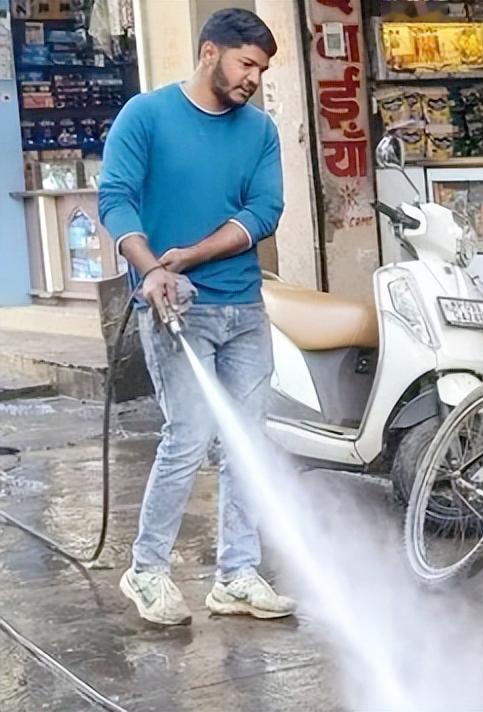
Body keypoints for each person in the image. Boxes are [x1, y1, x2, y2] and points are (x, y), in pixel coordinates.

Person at [99, 8, 294, 625]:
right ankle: (147, 570)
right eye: (246, 64)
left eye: (261, 70)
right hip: (174, 308)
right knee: (188, 437)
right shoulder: (147, 116)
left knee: (247, 446)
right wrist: (153, 267)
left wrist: (195, 253)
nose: (253, 79)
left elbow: (265, 210)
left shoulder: (258, 130)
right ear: (210, 52)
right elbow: (115, 197)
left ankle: (236, 576)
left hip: (242, 306)